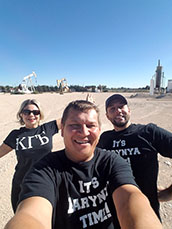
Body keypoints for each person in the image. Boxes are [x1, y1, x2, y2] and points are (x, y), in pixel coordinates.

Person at [4, 100, 162, 229]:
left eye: (91, 125)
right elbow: (31, 214)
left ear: (99, 130)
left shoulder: (112, 162)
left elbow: (131, 199)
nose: (84, 132)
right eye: (74, 125)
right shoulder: (44, 170)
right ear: (62, 130)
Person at [97, 93, 172, 226]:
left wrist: (169, 192)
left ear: (129, 110)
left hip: (146, 216)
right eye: (112, 109)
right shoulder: (105, 139)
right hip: (113, 215)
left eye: (121, 106)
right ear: (107, 116)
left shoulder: (148, 132)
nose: (118, 111)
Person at [0, 99, 61, 212]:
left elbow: (71, 118)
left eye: (35, 112)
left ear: (40, 114)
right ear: (21, 114)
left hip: (46, 181)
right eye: (27, 112)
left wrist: (88, 105)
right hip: (22, 183)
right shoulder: (15, 135)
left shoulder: (48, 128)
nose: (31, 115)